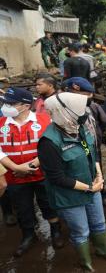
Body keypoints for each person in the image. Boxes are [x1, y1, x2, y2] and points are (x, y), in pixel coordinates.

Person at [39, 92, 106, 271]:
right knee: (81, 231)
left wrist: (99, 176)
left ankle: (103, 250)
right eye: (78, 113)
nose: (83, 116)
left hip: (93, 186)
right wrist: (89, 188)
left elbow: (93, 155)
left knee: (99, 223)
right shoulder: (48, 142)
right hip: (69, 195)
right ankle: (86, 263)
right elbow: (57, 178)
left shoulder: (80, 129)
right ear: (62, 113)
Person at [0, 87, 64, 257]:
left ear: (26, 105)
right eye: (6, 102)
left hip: (42, 174)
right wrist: (16, 168)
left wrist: (35, 163)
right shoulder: (1, 123)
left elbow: (55, 144)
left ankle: (56, 232)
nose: (7, 106)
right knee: (23, 209)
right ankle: (28, 236)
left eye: (12, 103)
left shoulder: (45, 121)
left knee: (49, 204)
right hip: (14, 177)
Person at [65, 77, 106, 207]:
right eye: (82, 95)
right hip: (71, 148)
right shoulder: (62, 109)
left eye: (88, 95)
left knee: (97, 170)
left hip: (92, 147)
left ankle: (102, 193)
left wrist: (97, 135)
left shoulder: (93, 106)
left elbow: (104, 122)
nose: (85, 98)